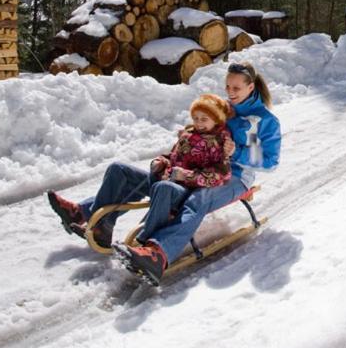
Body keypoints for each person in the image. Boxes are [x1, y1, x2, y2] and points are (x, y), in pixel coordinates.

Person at [113, 61, 281, 285]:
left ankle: (158, 254)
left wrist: (238, 152)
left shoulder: (262, 120)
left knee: (198, 198)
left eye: (237, 88)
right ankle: (93, 217)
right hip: (201, 168)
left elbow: (269, 162)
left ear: (251, 87)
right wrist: (191, 135)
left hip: (236, 177)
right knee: (158, 179)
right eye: (228, 87)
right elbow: (204, 127)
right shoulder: (225, 109)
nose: (231, 93)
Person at [47, 93, 234, 248]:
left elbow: (221, 175)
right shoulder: (189, 134)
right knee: (117, 169)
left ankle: (83, 215)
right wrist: (160, 161)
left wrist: (188, 176)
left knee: (156, 187)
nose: (199, 123)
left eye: (204, 119)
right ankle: (101, 226)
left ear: (216, 120)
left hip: (182, 192)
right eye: (196, 118)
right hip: (164, 180)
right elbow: (172, 157)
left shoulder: (219, 143)